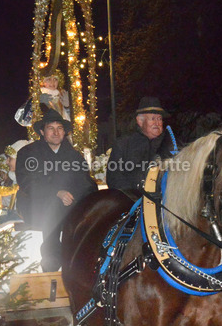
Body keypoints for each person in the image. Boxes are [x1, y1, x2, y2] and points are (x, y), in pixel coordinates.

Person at [16, 110, 96, 271]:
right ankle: (51, 258)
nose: (56, 132)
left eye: (59, 128)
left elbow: (85, 181)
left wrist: (72, 195)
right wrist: (57, 192)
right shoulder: (28, 153)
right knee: (54, 205)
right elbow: (27, 182)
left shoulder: (74, 155)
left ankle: (82, 258)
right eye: (51, 128)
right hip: (37, 205)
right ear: (42, 132)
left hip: (69, 204)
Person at [105, 97, 174, 192]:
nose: (157, 123)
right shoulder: (123, 144)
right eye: (152, 119)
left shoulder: (171, 145)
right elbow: (114, 178)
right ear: (140, 121)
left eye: (159, 119)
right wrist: (135, 195)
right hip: (131, 201)